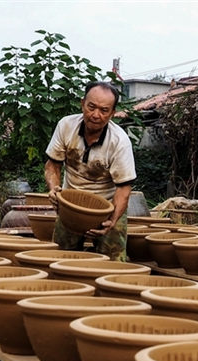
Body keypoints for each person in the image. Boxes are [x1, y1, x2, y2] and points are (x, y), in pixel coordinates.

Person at [45, 81, 136, 260]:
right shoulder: (66, 126)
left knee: (114, 262)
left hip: (107, 206)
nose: (96, 115)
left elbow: (124, 188)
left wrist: (113, 219)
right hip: (71, 203)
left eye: (104, 110)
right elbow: (52, 165)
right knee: (60, 258)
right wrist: (53, 189)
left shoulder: (119, 141)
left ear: (113, 113)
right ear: (82, 104)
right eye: (91, 107)